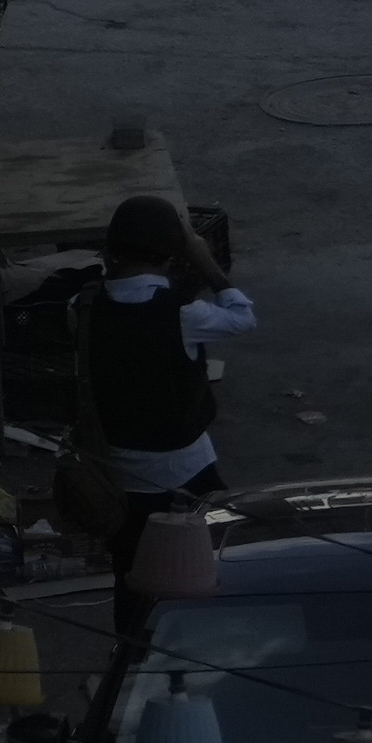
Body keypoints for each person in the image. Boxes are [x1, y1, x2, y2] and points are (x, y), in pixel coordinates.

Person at [83, 192, 251, 634]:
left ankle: (130, 661)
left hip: (121, 473)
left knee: (132, 576)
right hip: (186, 469)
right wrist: (207, 263)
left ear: (112, 250)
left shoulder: (84, 308)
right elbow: (242, 316)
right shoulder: (183, 313)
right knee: (212, 561)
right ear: (173, 255)